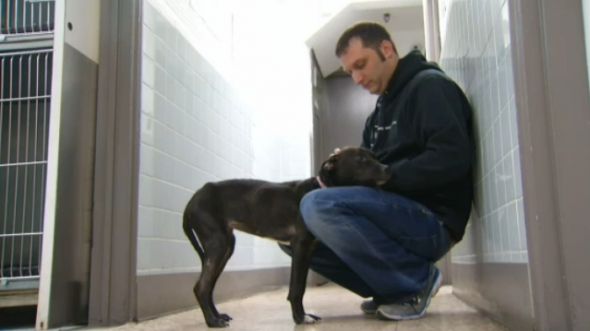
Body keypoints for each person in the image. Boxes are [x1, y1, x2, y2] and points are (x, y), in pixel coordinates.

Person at [279, 22, 474, 321]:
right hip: (395, 216)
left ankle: (414, 281)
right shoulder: (377, 116)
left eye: (361, 65)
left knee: (316, 206)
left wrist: (387, 176)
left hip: (432, 221)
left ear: (386, 49)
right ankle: (392, 288)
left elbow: (452, 158)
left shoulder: (430, 87)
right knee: (291, 230)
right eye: (350, 72)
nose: (357, 78)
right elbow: (360, 184)